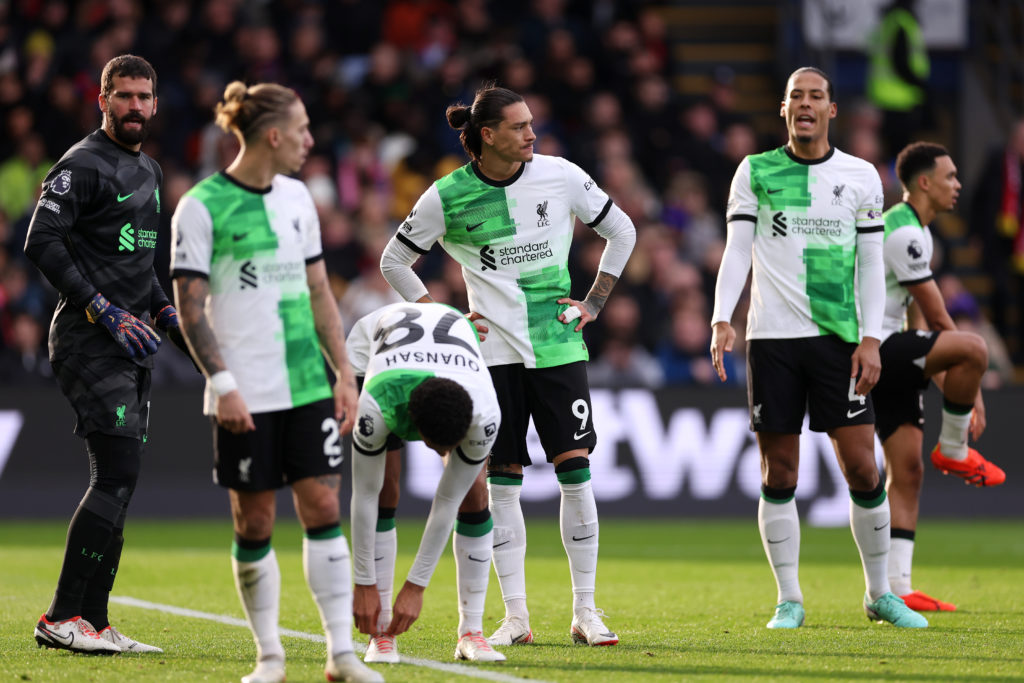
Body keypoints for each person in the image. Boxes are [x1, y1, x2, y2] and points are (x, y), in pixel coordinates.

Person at [379, 84, 636, 647]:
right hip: (491, 356)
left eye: (531, 123)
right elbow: (393, 259)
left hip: (558, 344)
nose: (531, 133)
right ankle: (515, 618)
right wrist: (441, 318)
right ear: (487, 136)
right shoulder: (446, 196)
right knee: (503, 485)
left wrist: (593, 303)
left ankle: (586, 612)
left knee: (575, 472)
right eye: (519, 126)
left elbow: (622, 230)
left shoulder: (561, 175)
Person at [170, 81, 380, 683]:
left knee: (321, 505)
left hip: (307, 382)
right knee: (255, 521)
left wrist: (343, 371)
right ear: (273, 134)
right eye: (304, 128)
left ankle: (340, 655)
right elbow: (188, 307)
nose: (311, 140)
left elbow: (318, 292)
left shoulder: (297, 199)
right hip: (246, 390)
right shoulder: (202, 206)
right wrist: (224, 383)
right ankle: (270, 657)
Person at [710, 66, 927, 629]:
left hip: (839, 340)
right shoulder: (755, 171)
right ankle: (790, 599)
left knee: (861, 467)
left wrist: (873, 337)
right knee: (779, 471)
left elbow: (873, 264)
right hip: (772, 339)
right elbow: (737, 251)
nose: (805, 104)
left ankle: (880, 594)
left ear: (833, 110)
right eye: (796, 97)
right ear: (783, 110)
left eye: (816, 96)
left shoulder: (859, 177)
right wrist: (720, 318)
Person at [25, 53, 184, 655]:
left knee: (118, 479)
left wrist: (165, 313)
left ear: (156, 103)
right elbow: (39, 239)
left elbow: (138, 266)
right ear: (103, 100)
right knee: (117, 474)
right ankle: (61, 616)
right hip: (88, 342)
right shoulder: (82, 163)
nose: (135, 106)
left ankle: (93, 622)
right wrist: (100, 307)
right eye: (124, 96)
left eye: (145, 96)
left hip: (132, 345)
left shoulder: (151, 172)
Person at [874, 142, 1006, 612]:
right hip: (875, 346)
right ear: (924, 182)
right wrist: (969, 387)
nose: (958, 184)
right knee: (974, 346)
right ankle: (954, 449)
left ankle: (896, 587)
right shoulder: (905, 233)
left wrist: (950, 377)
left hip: (890, 347)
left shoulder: (909, 228)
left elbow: (917, 322)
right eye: (950, 176)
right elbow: (936, 315)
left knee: (906, 470)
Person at [348, 301, 506, 663]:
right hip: (371, 348)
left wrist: (416, 587)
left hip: (449, 356)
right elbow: (363, 495)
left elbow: (447, 501)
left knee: (474, 494)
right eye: (436, 447)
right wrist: (363, 583)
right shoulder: (378, 404)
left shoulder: (485, 411)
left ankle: (471, 633)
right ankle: (381, 633)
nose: (440, 456)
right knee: (385, 486)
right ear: (415, 428)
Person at [866, 0, 931, 158]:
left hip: (885, 98)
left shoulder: (890, 20)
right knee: (900, 154)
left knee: (890, 152)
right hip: (899, 100)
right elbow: (900, 62)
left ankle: (890, 180)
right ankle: (895, 181)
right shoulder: (902, 22)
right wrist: (919, 84)